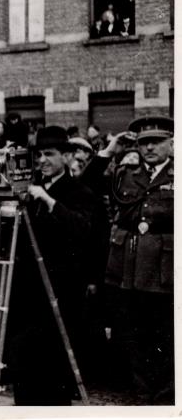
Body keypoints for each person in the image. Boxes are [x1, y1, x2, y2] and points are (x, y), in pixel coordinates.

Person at [5, 126, 95, 405]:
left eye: (49, 154)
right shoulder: (29, 190)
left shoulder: (80, 191)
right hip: (28, 291)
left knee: (54, 370)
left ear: (67, 157)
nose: (42, 160)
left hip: (60, 290)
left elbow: (84, 230)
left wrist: (49, 201)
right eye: (38, 154)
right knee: (24, 366)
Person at [105, 116, 173, 404]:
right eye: (144, 143)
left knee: (166, 334)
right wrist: (109, 151)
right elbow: (95, 188)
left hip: (165, 270)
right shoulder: (127, 175)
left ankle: (166, 393)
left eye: (157, 142)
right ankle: (142, 390)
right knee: (135, 333)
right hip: (131, 268)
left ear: (171, 143)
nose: (149, 148)